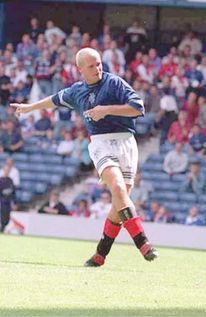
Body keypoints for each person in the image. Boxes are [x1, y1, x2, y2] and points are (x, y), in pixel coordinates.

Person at [12, 47, 158, 267]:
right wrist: (30, 107)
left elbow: (138, 108)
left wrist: (106, 110)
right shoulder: (76, 91)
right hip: (100, 143)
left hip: (126, 143)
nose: (97, 68)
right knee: (118, 189)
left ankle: (100, 254)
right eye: (91, 66)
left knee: (120, 202)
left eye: (98, 63)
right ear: (80, 69)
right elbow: (54, 100)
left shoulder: (114, 83)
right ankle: (143, 242)